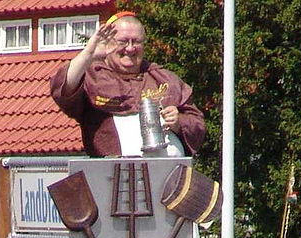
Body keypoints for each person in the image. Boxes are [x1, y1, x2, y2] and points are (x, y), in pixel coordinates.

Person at [49, 12, 205, 158]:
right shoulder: (93, 77)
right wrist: (89, 54)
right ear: (109, 42)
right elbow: (63, 89)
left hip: (169, 176)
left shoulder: (164, 78)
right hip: (113, 178)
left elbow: (197, 125)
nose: (130, 48)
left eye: (136, 42)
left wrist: (179, 123)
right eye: (123, 41)